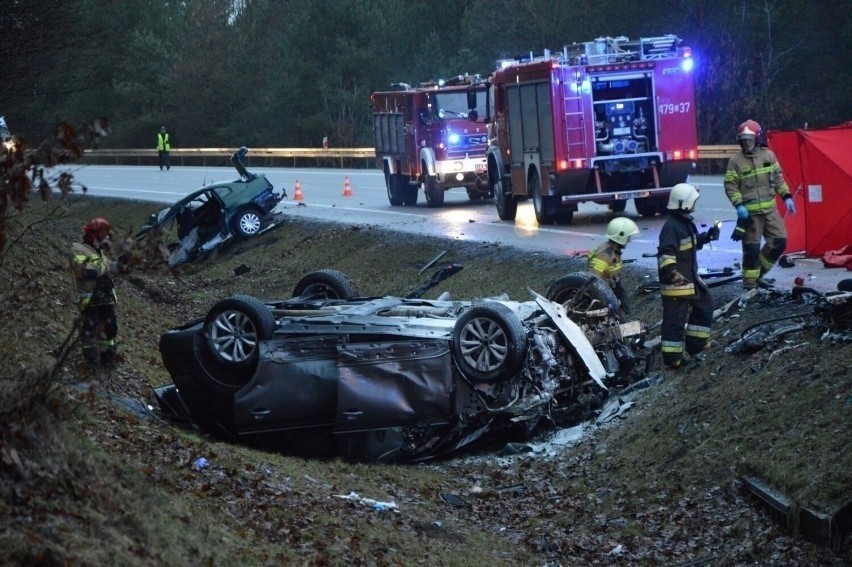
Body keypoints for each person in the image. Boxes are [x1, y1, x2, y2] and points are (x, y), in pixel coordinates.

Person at [723, 119, 795, 290]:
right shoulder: (735, 161)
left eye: (749, 138)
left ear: (757, 138)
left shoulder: (768, 156)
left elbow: (778, 179)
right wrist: (739, 205)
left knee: (779, 241)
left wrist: (787, 197)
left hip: (770, 211)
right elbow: (730, 185)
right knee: (751, 251)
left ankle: (758, 275)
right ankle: (749, 286)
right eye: (743, 139)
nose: (746, 142)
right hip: (750, 215)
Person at [657, 183, 720, 370]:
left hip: (689, 279)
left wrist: (707, 236)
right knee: (675, 320)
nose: (695, 204)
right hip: (676, 283)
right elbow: (666, 254)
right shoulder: (672, 227)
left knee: (705, 304)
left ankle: (697, 344)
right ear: (684, 204)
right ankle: (672, 357)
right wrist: (672, 274)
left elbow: (690, 245)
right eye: (693, 201)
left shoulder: (685, 223)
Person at [71, 217, 118, 366]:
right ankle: (90, 362)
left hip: (106, 298)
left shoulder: (99, 251)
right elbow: (84, 272)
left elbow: (105, 269)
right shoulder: (77, 249)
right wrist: (106, 268)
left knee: (110, 329)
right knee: (89, 331)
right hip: (90, 299)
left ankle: (107, 359)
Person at [587, 217, 640, 315]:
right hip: (600, 296)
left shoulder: (614, 251)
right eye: (628, 237)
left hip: (609, 291)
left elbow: (614, 277)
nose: (629, 240)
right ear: (621, 235)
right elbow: (593, 281)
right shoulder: (604, 255)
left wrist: (621, 293)